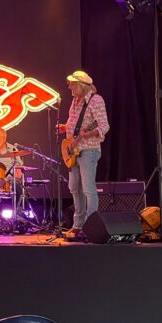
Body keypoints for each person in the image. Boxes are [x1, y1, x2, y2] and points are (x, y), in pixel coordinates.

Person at [57, 70, 109, 235]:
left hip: (88, 150)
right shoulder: (75, 101)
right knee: (74, 188)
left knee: (88, 189)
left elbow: (104, 125)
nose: (70, 87)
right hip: (73, 150)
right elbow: (76, 123)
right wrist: (65, 127)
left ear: (81, 85)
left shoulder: (96, 100)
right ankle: (78, 224)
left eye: (72, 84)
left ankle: (90, 226)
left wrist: (90, 133)